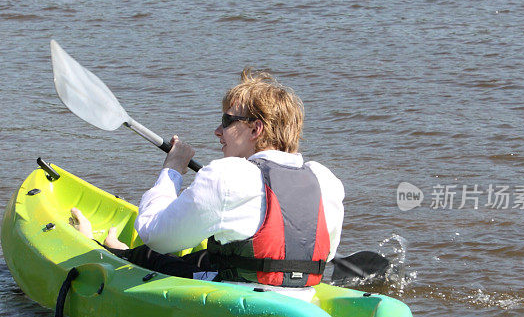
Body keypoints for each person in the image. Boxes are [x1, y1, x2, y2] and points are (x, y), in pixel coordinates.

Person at [71, 68, 344, 301]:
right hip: (301, 299)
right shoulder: (325, 180)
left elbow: (155, 235)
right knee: (203, 259)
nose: (218, 131)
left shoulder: (228, 174)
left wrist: (173, 168)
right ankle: (121, 250)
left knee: (151, 256)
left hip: (239, 304)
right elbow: (325, 253)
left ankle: (109, 250)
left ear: (255, 129)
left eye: (227, 121)